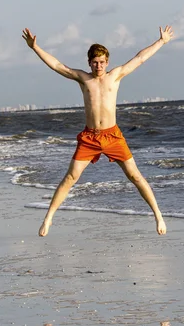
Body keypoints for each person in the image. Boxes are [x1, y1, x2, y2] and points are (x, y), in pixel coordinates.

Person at [22, 25, 174, 237]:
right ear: (89, 63)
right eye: (95, 62)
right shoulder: (83, 79)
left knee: (135, 176)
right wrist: (35, 47)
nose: (98, 66)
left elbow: (140, 58)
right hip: (90, 138)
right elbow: (57, 65)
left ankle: (158, 215)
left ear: (107, 62)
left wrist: (162, 41)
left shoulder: (116, 75)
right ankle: (48, 219)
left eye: (102, 62)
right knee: (71, 177)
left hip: (113, 136)